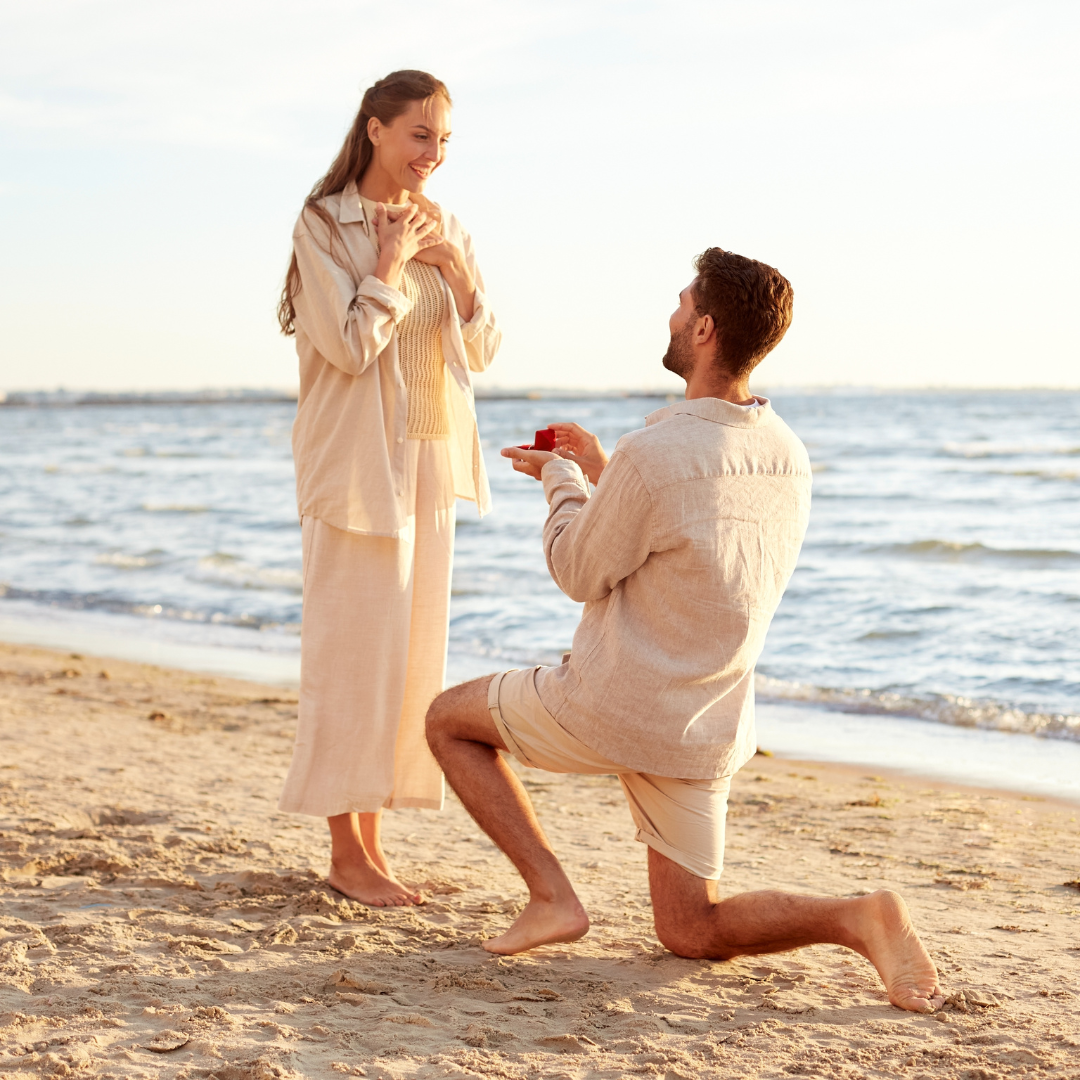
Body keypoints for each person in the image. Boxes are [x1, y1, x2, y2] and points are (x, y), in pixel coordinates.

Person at [425, 248, 945, 1013]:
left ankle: (552, 898)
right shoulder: (785, 454)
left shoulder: (655, 451)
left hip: (612, 704)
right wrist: (606, 469)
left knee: (448, 722)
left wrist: (563, 479)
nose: (670, 316)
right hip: (704, 723)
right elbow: (694, 542)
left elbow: (577, 570)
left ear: (703, 327)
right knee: (690, 929)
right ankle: (858, 915)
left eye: (679, 302)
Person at [276, 70, 501, 907]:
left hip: (429, 462)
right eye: (419, 136)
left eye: (443, 141)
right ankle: (344, 851)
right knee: (350, 658)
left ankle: (370, 844)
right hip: (355, 467)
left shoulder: (448, 224)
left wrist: (455, 271)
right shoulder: (322, 224)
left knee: (406, 664)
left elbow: (482, 351)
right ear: (374, 130)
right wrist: (392, 264)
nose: (432, 156)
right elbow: (346, 346)